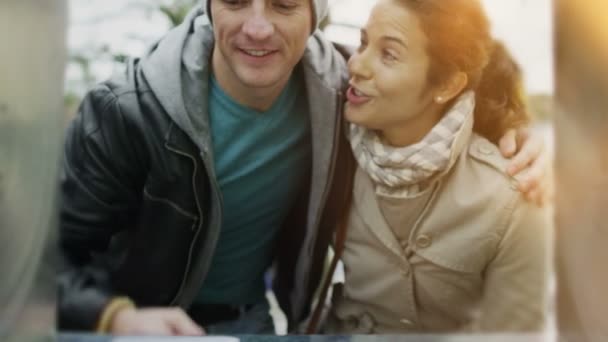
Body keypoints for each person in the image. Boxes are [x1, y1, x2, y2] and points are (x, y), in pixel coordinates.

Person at [58, 0, 549, 336]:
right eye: (234, 1)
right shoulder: (123, 112)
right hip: (133, 329)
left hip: (253, 324)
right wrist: (114, 318)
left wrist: (519, 134)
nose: (256, 27)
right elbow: (40, 267)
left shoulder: (342, 95)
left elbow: (445, 84)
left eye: (284, 4)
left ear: (317, 12)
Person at [319, 0, 551, 333]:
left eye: (389, 54)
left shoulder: (514, 194)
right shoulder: (330, 144)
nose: (356, 64)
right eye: (364, 43)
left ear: (447, 86)